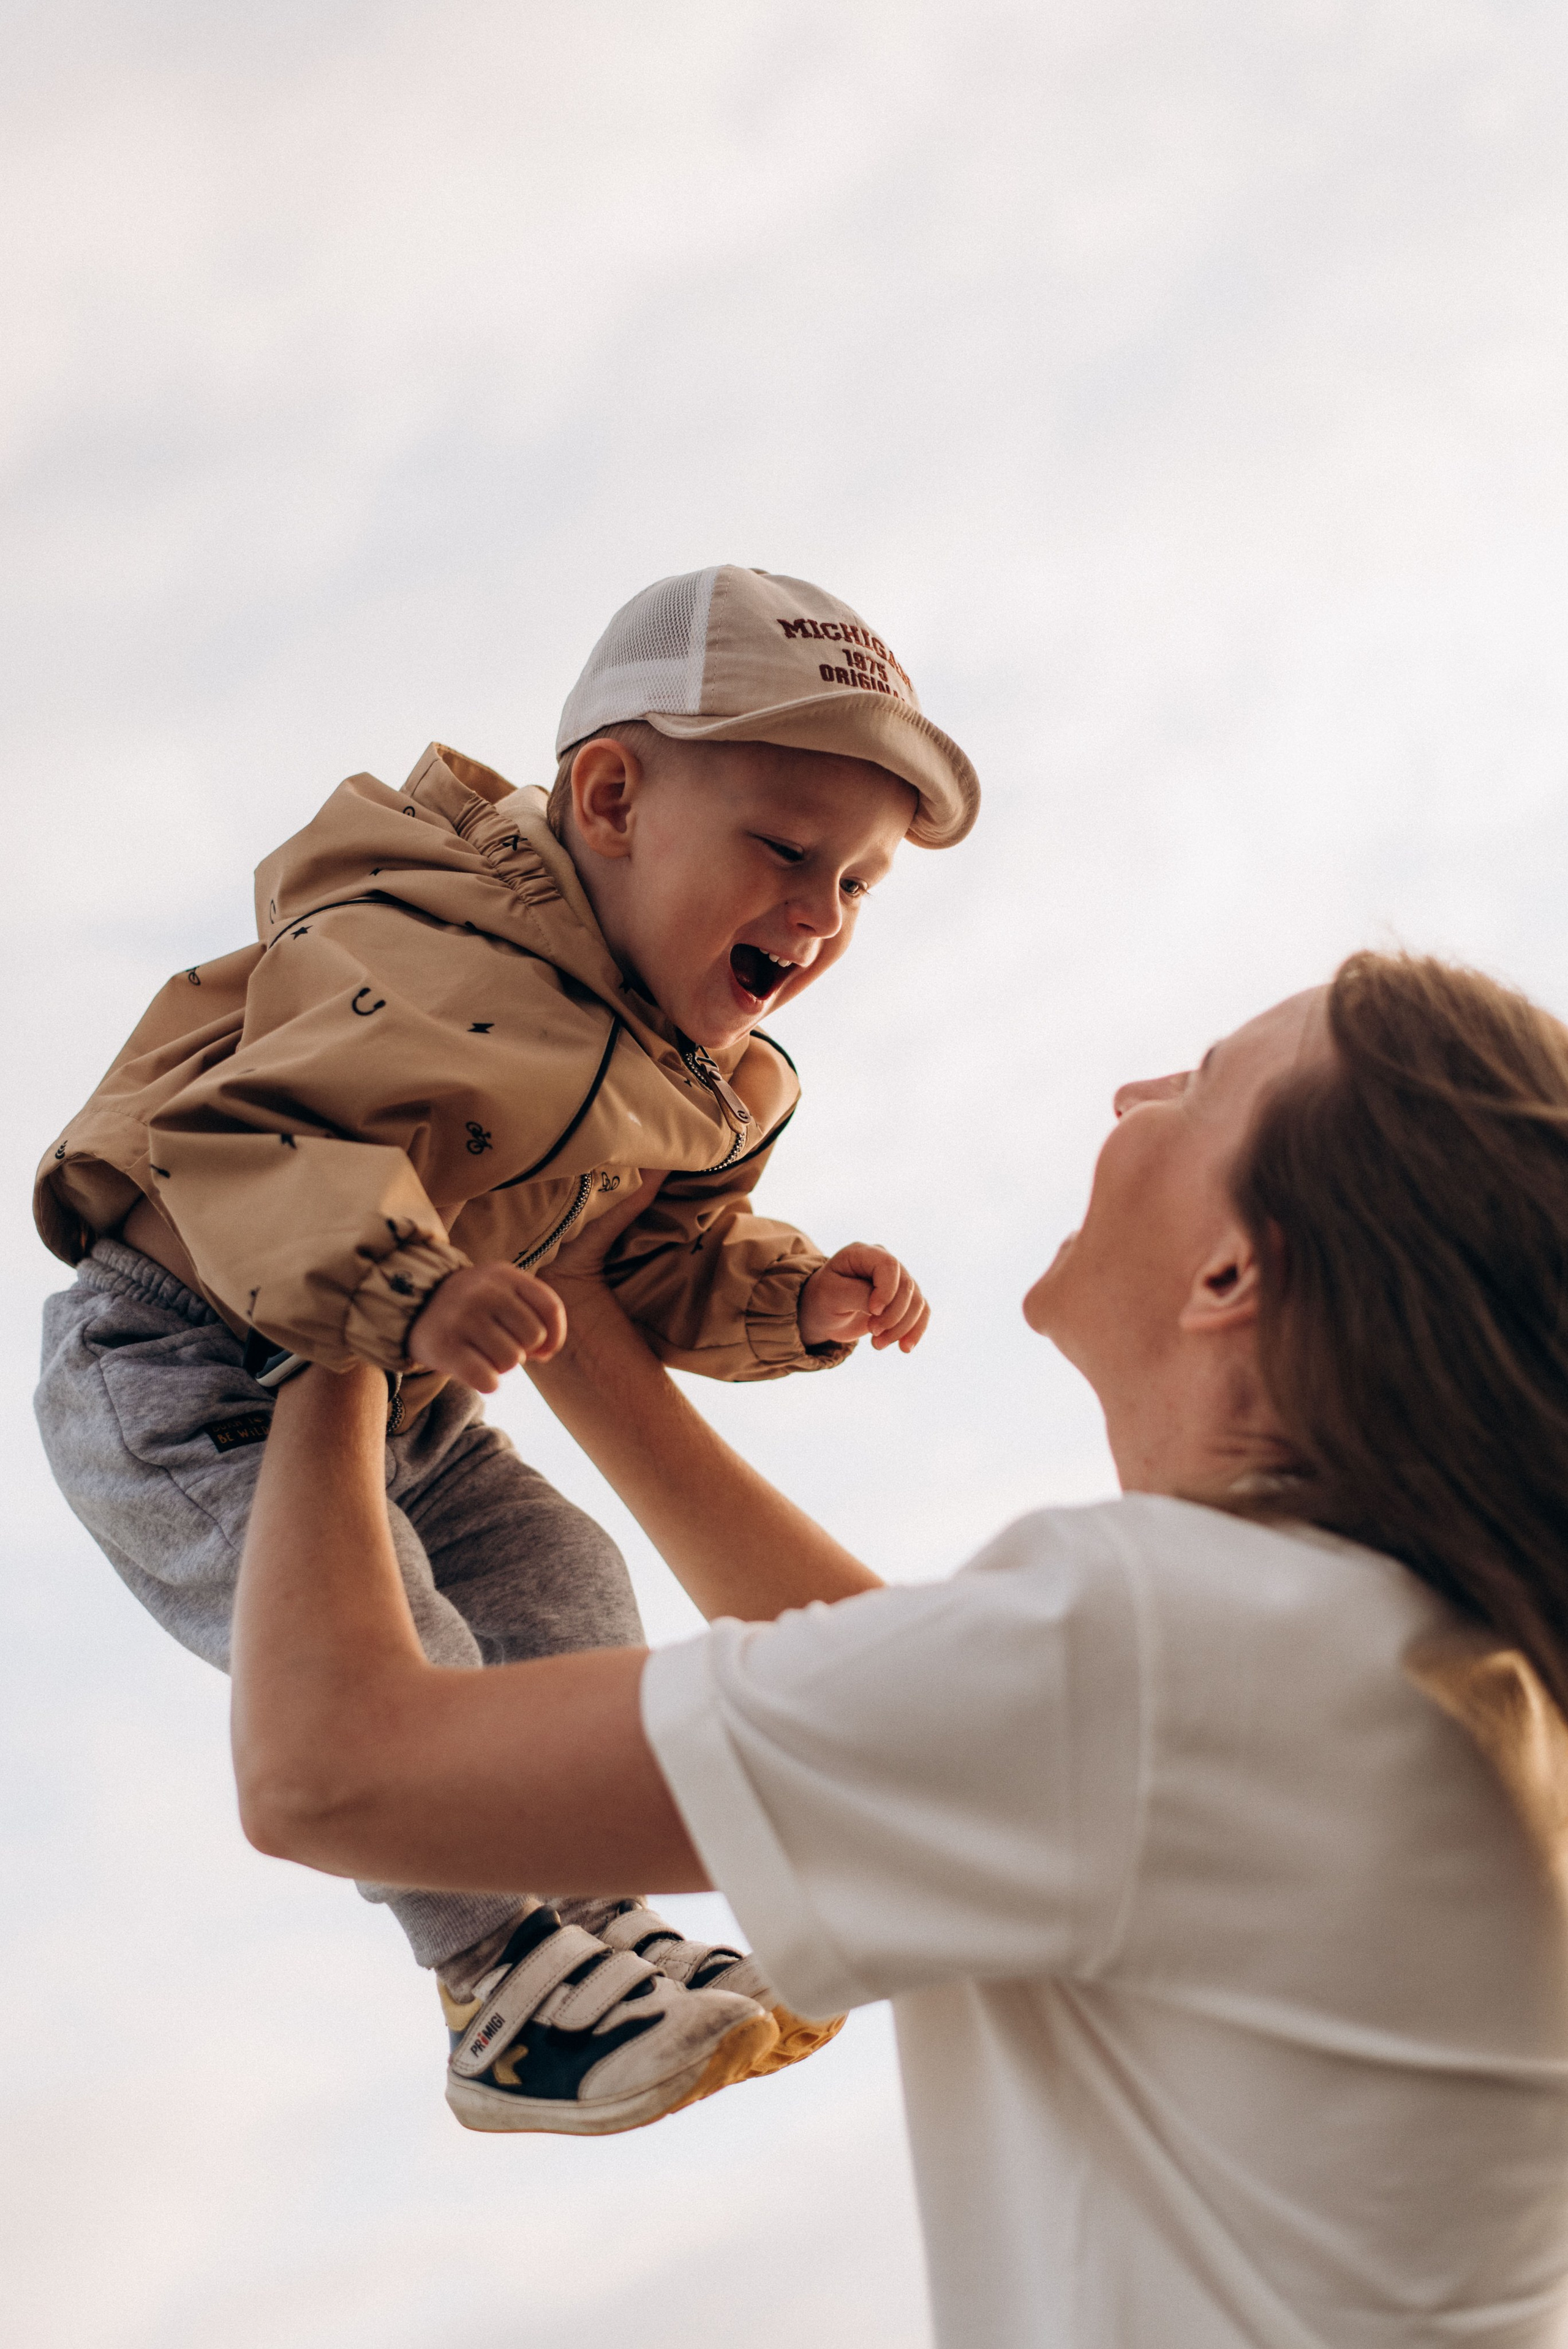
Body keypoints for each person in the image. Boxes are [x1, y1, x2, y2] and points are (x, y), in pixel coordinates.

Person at [233, 951, 1568, 2348]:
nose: (1131, 1093)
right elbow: (893, 1674)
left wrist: (353, 1281)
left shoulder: (1179, 1653)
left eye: (1202, 1085)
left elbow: (328, 1775)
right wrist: (573, 1304)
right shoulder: (1378, 1665)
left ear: (1232, 1270)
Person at [31, 565, 979, 2136]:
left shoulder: (716, 1082)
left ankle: (591, 1920)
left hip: (412, 1386)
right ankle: (495, 1980)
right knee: (393, 1642)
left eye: (859, 886)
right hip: (187, 1364)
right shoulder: (428, 943)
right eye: (784, 851)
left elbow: (653, 1270)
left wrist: (796, 1297)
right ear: (610, 797)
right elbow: (247, 1132)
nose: (816, 916)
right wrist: (405, 1289)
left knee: (563, 1574)